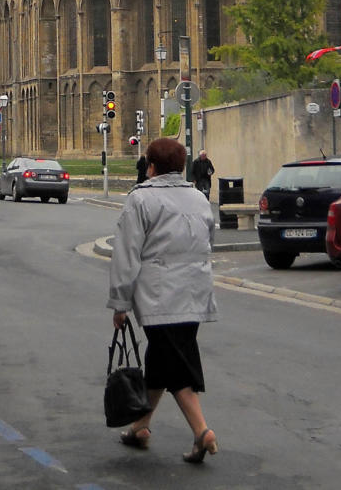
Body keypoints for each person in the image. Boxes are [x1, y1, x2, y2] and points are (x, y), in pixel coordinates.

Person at [108, 136, 218, 463]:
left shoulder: (141, 200)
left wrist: (120, 302)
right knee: (163, 358)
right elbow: (207, 239)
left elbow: (126, 255)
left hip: (159, 296)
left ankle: (202, 432)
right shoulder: (198, 198)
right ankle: (140, 426)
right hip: (195, 293)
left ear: (151, 166)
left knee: (176, 365)